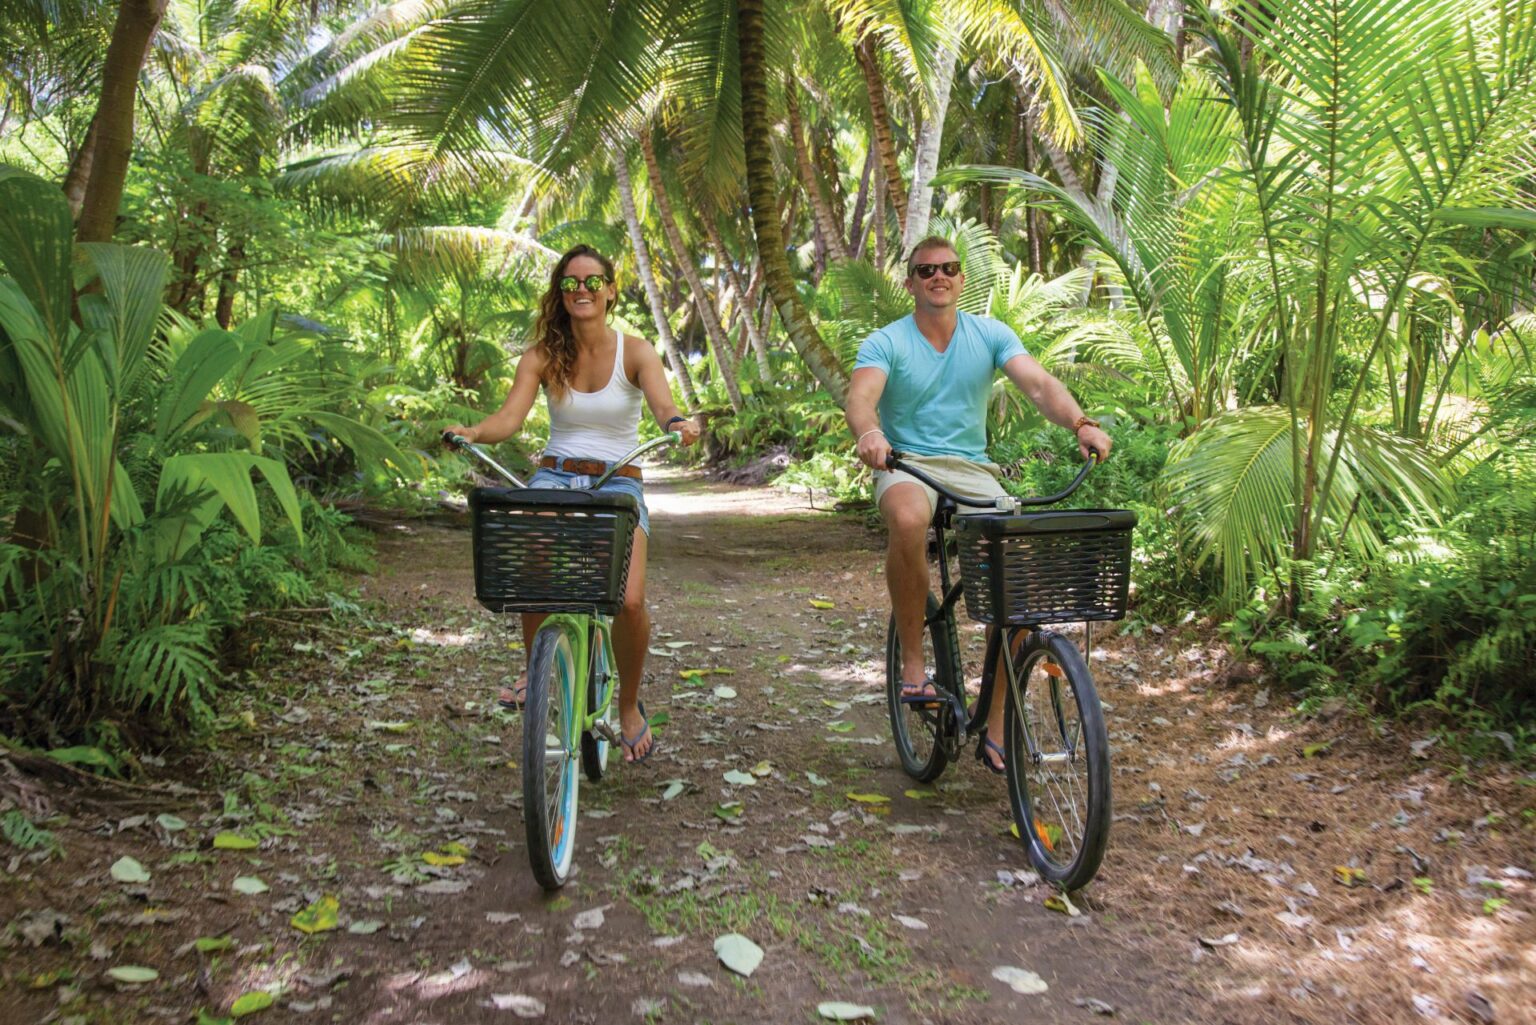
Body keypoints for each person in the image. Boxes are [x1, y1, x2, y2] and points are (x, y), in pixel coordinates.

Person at [845, 235, 1113, 773]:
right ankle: (914, 663)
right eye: (925, 271)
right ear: (910, 283)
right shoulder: (886, 341)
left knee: (1015, 583)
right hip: (907, 464)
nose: (937, 277)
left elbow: (1038, 385)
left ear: (962, 279)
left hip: (974, 471)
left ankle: (996, 724)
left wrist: (1081, 423)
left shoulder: (989, 334)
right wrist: (870, 434)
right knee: (908, 516)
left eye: (947, 268)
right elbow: (861, 397)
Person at [446, 244, 701, 762]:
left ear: (610, 290)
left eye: (592, 281)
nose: (581, 290)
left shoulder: (636, 351)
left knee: (628, 602)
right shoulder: (542, 355)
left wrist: (679, 426)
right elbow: (507, 420)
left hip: (617, 483)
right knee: (533, 566)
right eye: (570, 283)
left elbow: (664, 408)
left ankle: (628, 706)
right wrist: (472, 431)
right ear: (560, 294)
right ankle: (535, 668)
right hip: (554, 476)